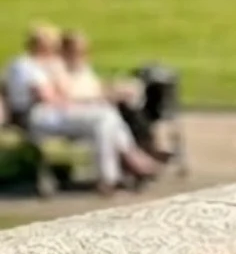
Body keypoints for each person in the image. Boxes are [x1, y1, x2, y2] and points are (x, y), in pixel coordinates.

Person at [3, 24, 158, 193]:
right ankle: (127, 163)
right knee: (104, 116)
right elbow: (47, 96)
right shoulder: (27, 66)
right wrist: (79, 100)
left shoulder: (31, 64)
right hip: (40, 116)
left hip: (49, 113)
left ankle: (113, 174)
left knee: (106, 118)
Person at [56, 31, 165, 158]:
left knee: (132, 98)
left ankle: (146, 145)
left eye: (84, 52)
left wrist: (114, 87)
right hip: (84, 110)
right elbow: (71, 96)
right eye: (78, 52)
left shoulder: (82, 68)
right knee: (124, 109)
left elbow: (94, 86)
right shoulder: (61, 71)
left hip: (97, 102)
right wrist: (104, 97)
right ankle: (144, 147)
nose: (83, 56)